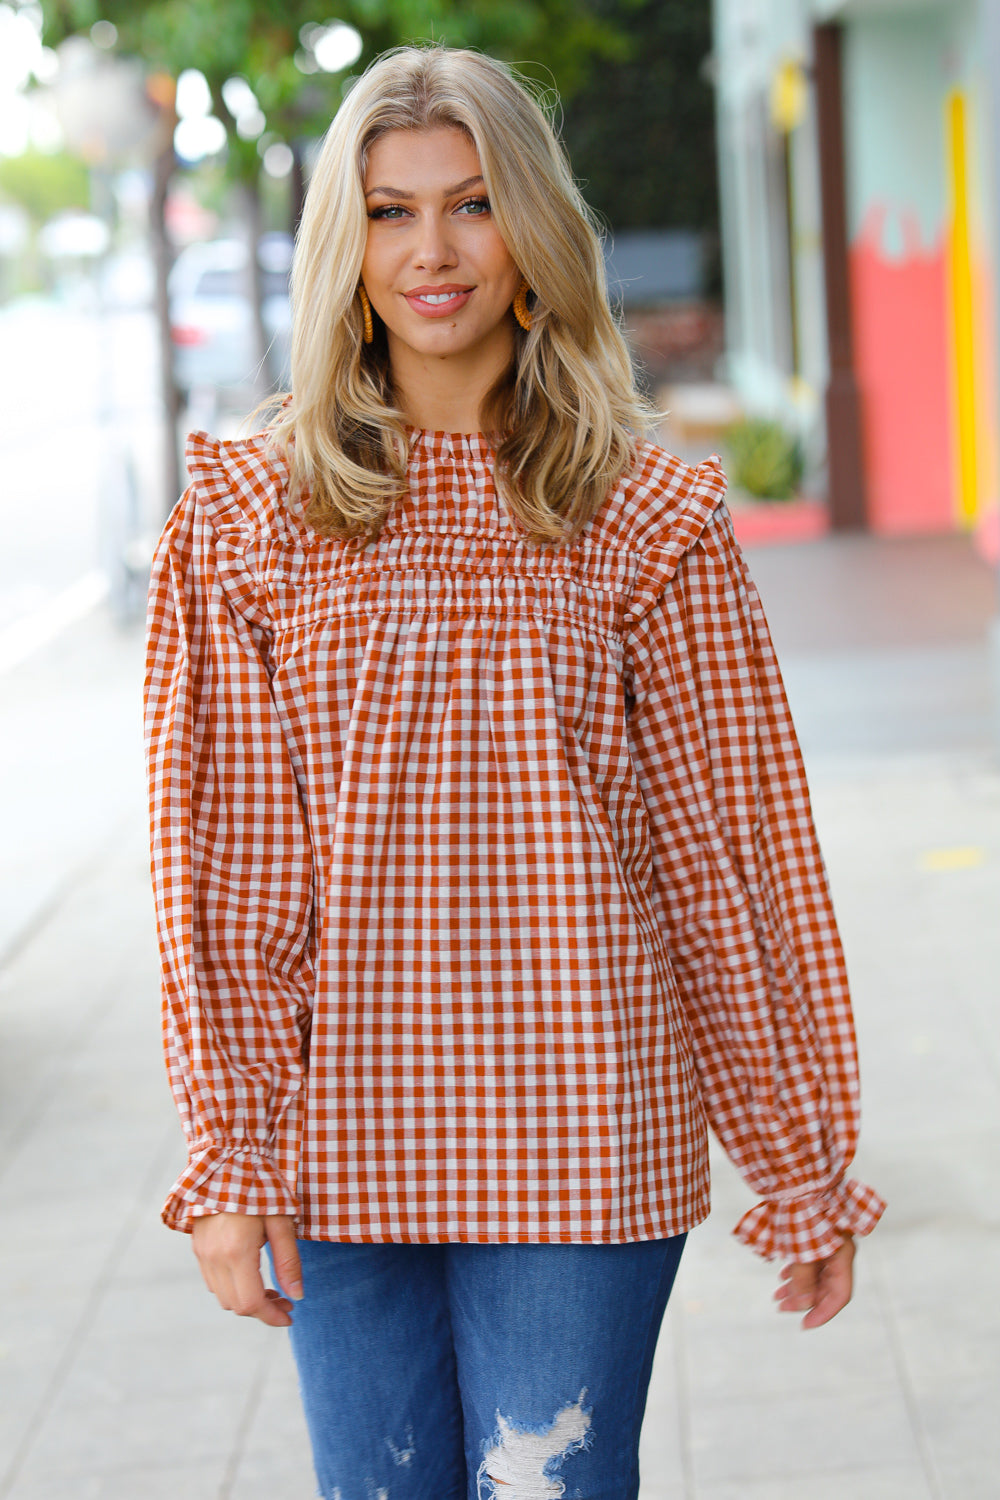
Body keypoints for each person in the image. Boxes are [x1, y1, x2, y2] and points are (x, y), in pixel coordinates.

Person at [144, 44, 885, 1500]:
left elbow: (730, 863)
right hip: (340, 1133)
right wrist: (229, 1157)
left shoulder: (647, 519)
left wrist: (799, 1159)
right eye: (392, 211)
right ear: (344, 252)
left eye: (474, 205)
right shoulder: (251, 518)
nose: (434, 250)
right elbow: (222, 872)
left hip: (586, 1124)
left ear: (534, 236)